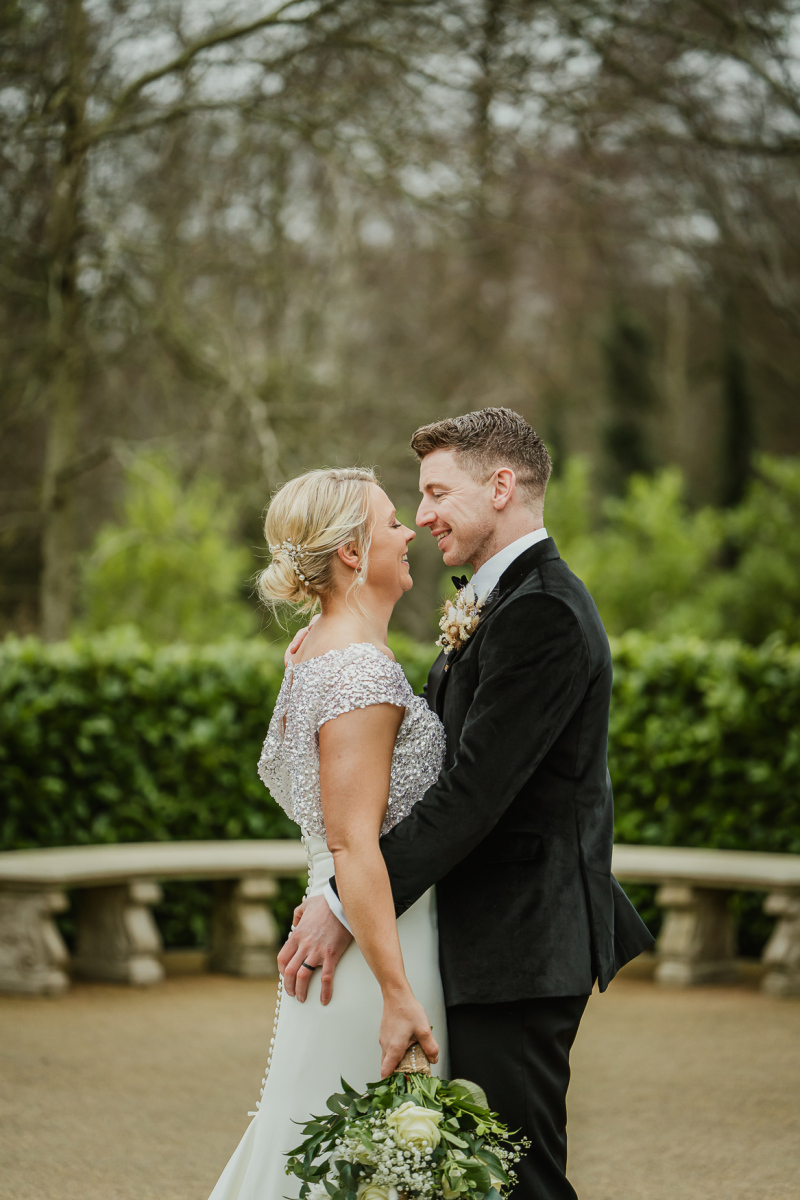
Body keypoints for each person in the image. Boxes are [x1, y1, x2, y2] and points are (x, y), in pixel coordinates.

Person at [281, 408, 654, 1200]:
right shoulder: (500, 602)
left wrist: (345, 899)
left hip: (519, 943)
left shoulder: (543, 611)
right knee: (480, 1179)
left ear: (502, 486)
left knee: (519, 1181)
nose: (422, 516)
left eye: (437, 493)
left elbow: (472, 794)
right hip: (484, 940)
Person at [207, 466, 446, 1200]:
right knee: (354, 1158)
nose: (409, 533)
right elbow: (352, 843)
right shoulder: (356, 671)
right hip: (378, 943)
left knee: (331, 1147)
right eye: (393, 522)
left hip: (349, 919)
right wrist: (399, 994)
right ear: (350, 551)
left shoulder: (314, 648)